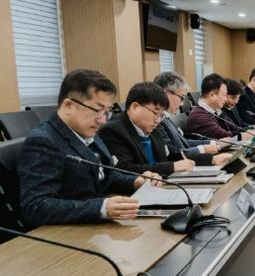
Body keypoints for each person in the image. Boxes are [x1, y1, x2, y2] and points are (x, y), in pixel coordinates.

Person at [19, 69, 160, 227]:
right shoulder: (43, 141)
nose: (103, 120)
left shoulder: (86, 130)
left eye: (107, 112)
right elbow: (35, 207)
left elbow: (103, 175)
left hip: (96, 227)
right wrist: (101, 208)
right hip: (67, 232)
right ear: (68, 106)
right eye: (97, 110)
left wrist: (135, 181)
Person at [98, 82, 196, 177]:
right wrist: (171, 167)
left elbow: (172, 155)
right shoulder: (112, 131)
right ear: (135, 107)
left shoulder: (151, 127)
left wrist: (205, 158)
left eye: (161, 115)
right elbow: (125, 169)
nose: (158, 120)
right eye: (156, 113)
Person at [153, 72, 231, 166]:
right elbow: (173, 155)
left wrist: (213, 143)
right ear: (166, 94)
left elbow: (183, 143)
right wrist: (203, 150)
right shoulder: (156, 122)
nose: (182, 104)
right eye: (181, 98)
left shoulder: (165, 118)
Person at [186, 73, 244, 139]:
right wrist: (246, 136)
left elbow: (237, 129)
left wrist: (250, 133)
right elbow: (224, 136)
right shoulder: (198, 117)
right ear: (212, 95)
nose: (225, 99)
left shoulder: (216, 111)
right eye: (224, 95)